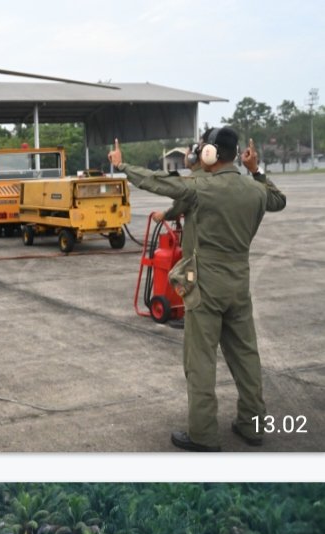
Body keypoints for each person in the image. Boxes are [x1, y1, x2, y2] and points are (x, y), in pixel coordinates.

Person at [108, 129, 286, 452]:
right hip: (238, 286)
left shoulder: (199, 188)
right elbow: (278, 199)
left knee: (201, 360)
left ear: (210, 155)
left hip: (204, 286)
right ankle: (252, 425)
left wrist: (123, 166)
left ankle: (203, 435)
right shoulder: (254, 190)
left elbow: (157, 181)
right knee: (246, 356)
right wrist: (256, 170)